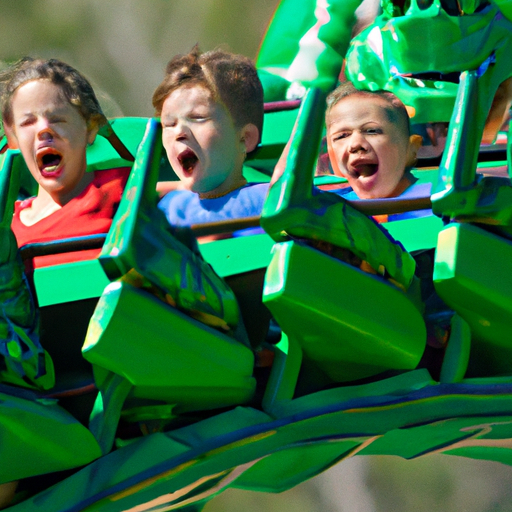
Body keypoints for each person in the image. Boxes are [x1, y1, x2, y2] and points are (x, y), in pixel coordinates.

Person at [0, 57, 131, 268]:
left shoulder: (124, 188)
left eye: (57, 119)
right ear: (12, 136)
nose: (44, 129)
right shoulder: (6, 228)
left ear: (90, 127)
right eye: (28, 122)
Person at [154, 47, 269, 227]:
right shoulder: (168, 210)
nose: (179, 133)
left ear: (244, 138)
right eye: (169, 124)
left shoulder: (269, 201)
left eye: (198, 118)